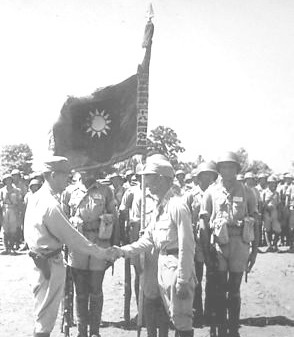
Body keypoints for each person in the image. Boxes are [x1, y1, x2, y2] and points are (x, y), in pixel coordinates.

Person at [24, 156, 111, 337]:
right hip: (48, 264)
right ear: (54, 175)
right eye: (65, 176)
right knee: (45, 321)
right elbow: (73, 239)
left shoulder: (36, 198)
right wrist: (101, 252)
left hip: (38, 261)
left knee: (41, 314)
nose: (68, 180)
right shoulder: (51, 205)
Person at [111, 154, 196, 337]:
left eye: (148, 177)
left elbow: (187, 245)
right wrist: (122, 251)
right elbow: (148, 240)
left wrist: (182, 278)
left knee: (181, 320)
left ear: (160, 178)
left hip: (175, 267)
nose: (146, 183)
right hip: (163, 266)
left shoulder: (177, 206)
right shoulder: (161, 207)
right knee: (174, 315)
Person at [199, 151, 259, 337]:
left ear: (236, 169)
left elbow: (256, 222)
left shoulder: (247, 192)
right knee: (218, 289)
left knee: (234, 289)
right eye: (224, 166)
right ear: (219, 169)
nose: (227, 170)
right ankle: (219, 328)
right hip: (219, 245)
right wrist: (206, 253)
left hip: (240, 245)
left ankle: (233, 329)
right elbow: (203, 223)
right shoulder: (211, 192)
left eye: (231, 166)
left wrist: (255, 251)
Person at [67, 172, 119, 337]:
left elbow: (115, 218)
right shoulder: (69, 191)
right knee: (80, 290)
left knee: (96, 288)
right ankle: (82, 331)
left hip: (100, 242)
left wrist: (114, 247)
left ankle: (95, 331)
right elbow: (62, 219)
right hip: (78, 243)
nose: (87, 171)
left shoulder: (106, 190)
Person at [183, 161, 218, 328]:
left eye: (210, 175)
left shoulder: (216, 194)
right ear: (198, 177)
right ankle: (196, 312)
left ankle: (211, 312)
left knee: (212, 277)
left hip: (213, 240)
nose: (207, 178)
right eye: (204, 175)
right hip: (196, 242)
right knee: (195, 278)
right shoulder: (191, 195)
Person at [0, 173, 23, 254]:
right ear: (4, 181)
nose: (8, 181)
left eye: (9, 179)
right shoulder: (2, 190)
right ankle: (6, 248)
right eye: (6, 180)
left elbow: (20, 201)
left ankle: (12, 247)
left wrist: (19, 211)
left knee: (13, 230)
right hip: (5, 210)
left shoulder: (17, 190)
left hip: (14, 210)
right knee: (5, 229)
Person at [263, 175, 281, 252]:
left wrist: (279, 213)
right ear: (268, 183)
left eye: (274, 183)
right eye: (270, 183)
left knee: (277, 230)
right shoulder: (264, 192)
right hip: (266, 212)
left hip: (274, 212)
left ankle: (275, 245)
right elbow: (262, 203)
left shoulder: (277, 193)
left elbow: (279, 203)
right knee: (267, 230)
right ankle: (269, 246)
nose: (272, 184)